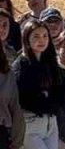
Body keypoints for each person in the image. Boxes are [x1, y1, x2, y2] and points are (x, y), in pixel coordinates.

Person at [16, 19, 65, 149]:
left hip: (51, 121)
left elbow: (64, 89)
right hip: (30, 123)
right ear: (27, 38)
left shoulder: (50, 63)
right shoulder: (21, 65)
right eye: (36, 36)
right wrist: (49, 101)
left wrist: (54, 102)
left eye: (45, 36)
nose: (41, 40)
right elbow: (25, 98)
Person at [0, 17, 20, 149]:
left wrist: (17, 140)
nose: (1, 28)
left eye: (5, 25)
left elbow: (14, 102)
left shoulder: (12, 55)